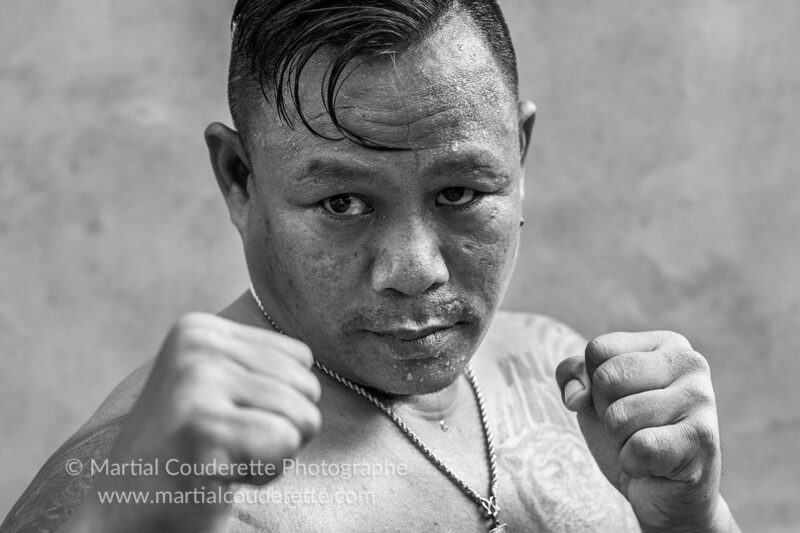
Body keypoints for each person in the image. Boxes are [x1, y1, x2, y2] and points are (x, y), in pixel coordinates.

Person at [2, 1, 741, 532]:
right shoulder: (141, 475)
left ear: (520, 156)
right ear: (238, 177)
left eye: (459, 192)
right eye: (343, 203)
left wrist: (692, 517)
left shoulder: (552, 370)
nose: (414, 269)